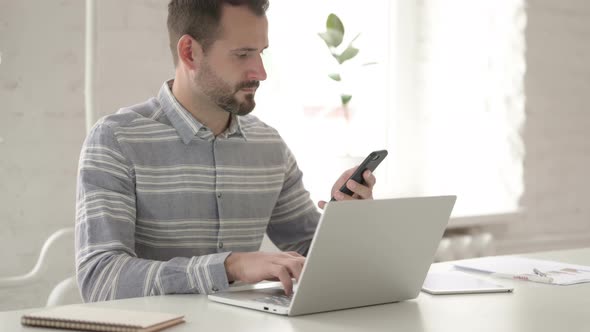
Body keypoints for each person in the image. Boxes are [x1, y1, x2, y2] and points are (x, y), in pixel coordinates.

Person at [75, 0, 376, 302]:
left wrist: (345, 225)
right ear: (189, 52)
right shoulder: (117, 140)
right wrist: (230, 266)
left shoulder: (268, 147)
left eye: (261, 53)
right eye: (243, 54)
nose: (260, 72)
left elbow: (310, 254)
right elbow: (101, 280)